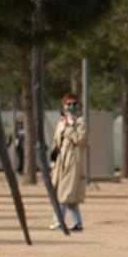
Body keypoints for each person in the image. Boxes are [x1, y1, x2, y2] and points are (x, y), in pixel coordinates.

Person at [50, 92, 87, 231]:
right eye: (69, 104)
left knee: (64, 194)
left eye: (74, 104)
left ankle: (58, 221)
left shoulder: (80, 121)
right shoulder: (61, 122)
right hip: (61, 162)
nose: (72, 106)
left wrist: (69, 128)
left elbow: (80, 139)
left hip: (73, 161)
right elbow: (56, 142)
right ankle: (77, 223)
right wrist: (52, 163)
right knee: (68, 195)